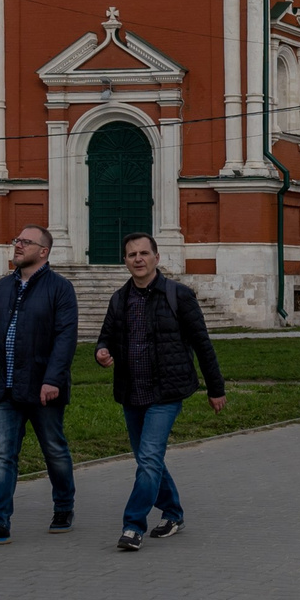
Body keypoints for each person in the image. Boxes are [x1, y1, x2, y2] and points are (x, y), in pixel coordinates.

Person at [92, 232, 227, 551]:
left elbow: (202, 344)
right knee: (147, 458)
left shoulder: (178, 295)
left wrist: (215, 388)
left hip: (166, 391)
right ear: (124, 261)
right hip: (131, 390)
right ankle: (174, 513)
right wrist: (101, 353)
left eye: (143, 253)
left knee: (149, 458)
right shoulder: (119, 298)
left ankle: (132, 525)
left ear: (156, 258)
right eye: (131, 254)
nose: (137, 259)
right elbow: (105, 338)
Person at [0, 225, 79, 546]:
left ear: (43, 251)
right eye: (17, 240)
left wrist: (53, 379)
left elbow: (65, 338)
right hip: (3, 386)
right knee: (3, 453)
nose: (17, 245)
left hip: (44, 387)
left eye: (25, 242)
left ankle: (64, 507)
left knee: (54, 450)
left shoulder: (60, 288)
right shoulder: (2, 288)